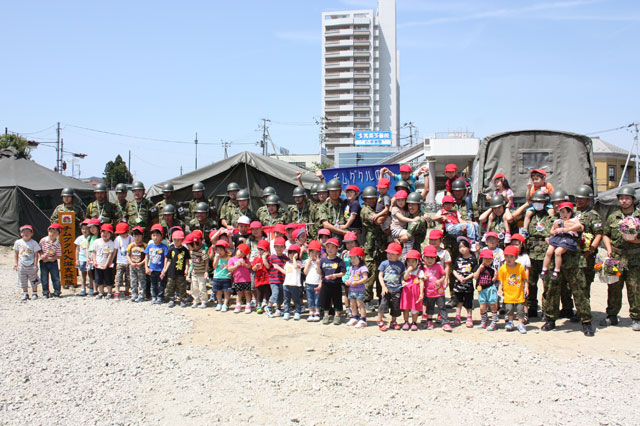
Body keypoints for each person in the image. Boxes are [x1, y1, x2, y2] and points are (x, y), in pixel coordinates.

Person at [600, 185, 640, 331]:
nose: (624, 201)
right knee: (614, 287)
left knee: (635, 288)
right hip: (616, 256)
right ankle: (611, 315)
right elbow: (606, 234)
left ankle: (636, 317)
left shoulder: (638, 216)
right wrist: (609, 249)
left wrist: (634, 240)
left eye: (627, 198)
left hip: (635, 257)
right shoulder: (613, 216)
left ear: (633, 200)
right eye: (622, 198)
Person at [540, 202, 583, 281]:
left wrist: (566, 229)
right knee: (549, 251)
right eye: (562, 212)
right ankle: (544, 269)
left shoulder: (574, 220)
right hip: (557, 237)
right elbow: (551, 231)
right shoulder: (558, 221)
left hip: (567, 238)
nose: (565, 214)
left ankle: (556, 270)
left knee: (558, 252)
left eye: (568, 212)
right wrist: (555, 231)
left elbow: (579, 226)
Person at [574, 185, 603, 299]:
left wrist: (591, 249)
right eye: (577, 198)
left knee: (584, 283)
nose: (578, 201)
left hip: (586, 255)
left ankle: (583, 312)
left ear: (589, 200)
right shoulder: (572, 212)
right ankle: (568, 309)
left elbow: (599, 234)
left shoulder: (593, 215)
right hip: (572, 253)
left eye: (582, 198)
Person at [360, 186, 387, 307]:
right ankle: (367, 299)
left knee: (381, 272)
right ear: (364, 200)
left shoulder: (376, 209)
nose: (371, 201)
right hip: (371, 246)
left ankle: (381, 298)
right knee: (370, 273)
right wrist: (388, 211)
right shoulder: (365, 210)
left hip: (380, 245)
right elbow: (379, 221)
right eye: (368, 199)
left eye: (373, 199)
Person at [497, 245, 529, 334]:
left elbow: (524, 279)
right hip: (508, 293)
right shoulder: (503, 268)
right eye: (506, 256)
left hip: (519, 293)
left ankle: (521, 323)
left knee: (520, 309)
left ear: (516, 257)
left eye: (511, 256)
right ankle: (510, 322)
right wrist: (500, 289)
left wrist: (526, 287)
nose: (508, 259)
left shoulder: (520, 267)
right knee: (509, 309)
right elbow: (501, 281)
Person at [377, 242, 405, 331]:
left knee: (395, 306)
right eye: (388, 253)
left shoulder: (401, 264)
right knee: (383, 305)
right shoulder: (384, 263)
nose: (389, 255)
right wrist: (383, 287)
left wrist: (403, 282)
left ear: (399, 255)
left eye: (392, 254)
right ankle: (379, 320)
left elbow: (402, 275)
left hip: (397, 288)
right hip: (387, 288)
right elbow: (380, 275)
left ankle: (393, 321)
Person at [318, 238, 346, 325]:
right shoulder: (323, 260)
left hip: (336, 283)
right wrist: (318, 265)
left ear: (337, 249)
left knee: (337, 299)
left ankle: (337, 315)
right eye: (328, 247)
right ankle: (326, 315)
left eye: (332, 247)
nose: (330, 249)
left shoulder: (339, 261)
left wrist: (335, 276)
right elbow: (319, 273)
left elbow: (343, 272)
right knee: (326, 299)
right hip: (326, 283)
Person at [422, 245, 450, 331]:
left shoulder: (438, 266)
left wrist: (440, 280)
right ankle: (429, 321)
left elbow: (444, 274)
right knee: (430, 308)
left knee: (442, 307)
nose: (430, 260)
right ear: (423, 258)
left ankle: (445, 322)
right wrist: (423, 278)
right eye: (427, 258)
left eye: (432, 258)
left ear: (436, 258)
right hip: (428, 292)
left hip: (439, 292)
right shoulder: (422, 268)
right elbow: (419, 278)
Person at [452, 237, 477, 328]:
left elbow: (474, 272)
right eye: (460, 247)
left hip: (468, 285)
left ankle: (469, 317)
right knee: (459, 301)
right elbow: (454, 270)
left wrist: (466, 278)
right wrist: (458, 277)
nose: (461, 249)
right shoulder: (458, 259)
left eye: (463, 247)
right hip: (458, 285)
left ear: (468, 247)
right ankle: (458, 316)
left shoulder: (473, 259)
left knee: (468, 302)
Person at [13, 224, 41, 301]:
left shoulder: (34, 242)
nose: (26, 233)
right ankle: (25, 293)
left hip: (31, 263)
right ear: (20, 233)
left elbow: (36, 254)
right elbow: (16, 253)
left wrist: (35, 264)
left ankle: (35, 293)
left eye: (28, 232)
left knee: (33, 278)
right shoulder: (18, 242)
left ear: (32, 234)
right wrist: (16, 263)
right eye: (23, 232)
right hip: (22, 264)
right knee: (23, 279)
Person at [473, 249, 499, 331]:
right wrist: (479, 269)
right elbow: (475, 277)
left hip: (490, 288)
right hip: (481, 289)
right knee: (482, 306)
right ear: (481, 259)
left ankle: (494, 322)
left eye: (489, 259)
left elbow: (494, 280)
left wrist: (495, 277)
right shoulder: (478, 267)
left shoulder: (492, 269)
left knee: (493, 305)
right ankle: (484, 321)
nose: (487, 261)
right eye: (485, 259)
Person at [144, 224, 169, 304]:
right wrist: (146, 267)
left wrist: (164, 269)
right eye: (153, 235)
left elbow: (166, 258)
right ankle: (154, 296)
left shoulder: (164, 246)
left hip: (160, 269)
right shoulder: (150, 245)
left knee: (161, 284)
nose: (155, 237)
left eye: (157, 235)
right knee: (153, 283)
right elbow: (146, 257)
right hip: (152, 269)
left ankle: (160, 297)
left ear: (161, 236)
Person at [165, 230, 190, 308]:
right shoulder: (171, 249)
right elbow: (168, 260)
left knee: (182, 286)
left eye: (178, 240)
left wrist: (187, 269)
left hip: (181, 272)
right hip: (171, 272)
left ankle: (182, 299)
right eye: (175, 240)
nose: (176, 241)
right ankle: (171, 299)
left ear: (182, 240)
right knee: (170, 285)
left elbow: (187, 261)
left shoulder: (185, 250)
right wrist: (165, 269)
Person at [92, 223, 117, 299]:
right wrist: (94, 261)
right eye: (103, 232)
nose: (105, 234)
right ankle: (101, 292)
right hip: (98, 264)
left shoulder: (111, 243)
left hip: (107, 265)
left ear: (111, 234)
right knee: (99, 279)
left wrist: (107, 264)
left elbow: (110, 254)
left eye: (107, 233)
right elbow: (94, 252)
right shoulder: (96, 241)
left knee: (108, 278)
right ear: (100, 232)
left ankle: (109, 292)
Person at [345, 246, 368, 328]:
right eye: (351, 258)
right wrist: (348, 281)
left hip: (360, 290)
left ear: (360, 258)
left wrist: (357, 282)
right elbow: (350, 276)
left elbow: (365, 278)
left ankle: (363, 319)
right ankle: (355, 317)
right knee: (352, 304)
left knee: (360, 304)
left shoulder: (363, 268)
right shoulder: (351, 268)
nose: (352, 260)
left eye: (354, 258)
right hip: (352, 289)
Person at [184, 232, 209, 309]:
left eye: (188, 245)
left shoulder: (202, 252)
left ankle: (204, 300)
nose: (187, 247)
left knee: (202, 287)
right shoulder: (191, 252)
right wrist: (189, 271)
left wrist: (206, 271)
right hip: (194, 273)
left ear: (194, 244)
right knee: (194, 287)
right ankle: (196, 300)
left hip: (201, 272)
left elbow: (206, 261)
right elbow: (191, 262)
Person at [400, 250, 423, 331]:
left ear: (418, 262)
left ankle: (414, 322)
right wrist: (408, 271)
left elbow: (421, 283)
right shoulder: (406, 270)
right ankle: (406, 322)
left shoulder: (420, 271)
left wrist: (421, 294)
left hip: (415, 292)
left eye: (413, 261)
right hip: (406, 292)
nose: (411, 263)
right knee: (406, 308)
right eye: (409, 261)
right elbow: (405, 278)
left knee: (414, 309)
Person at [265, 237, 288, 317]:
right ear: (274, 247)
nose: (279, 248)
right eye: (277, 246)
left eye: (281, 247)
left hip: (282, 280)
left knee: (281, 295)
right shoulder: (272, 257)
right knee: (275, 293)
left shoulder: (285, 258)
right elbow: (267, 266)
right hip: (273, 279)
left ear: (284, 248)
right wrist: (264, 258)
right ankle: (269, 306)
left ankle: (278, 308)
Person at [39, 223, 62, 298]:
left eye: (55, 232)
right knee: (44, 277)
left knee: (55, 277)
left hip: (53, 262)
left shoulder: (57, 244)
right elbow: (39, 249)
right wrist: (42, 255)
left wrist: (49, 259)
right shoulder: (43, 240)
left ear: (58, 233)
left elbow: (58, 256)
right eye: (51, 231)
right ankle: (45, 292)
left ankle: (57, 291)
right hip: (43, 262)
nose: (52, 233)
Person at [228, 243, 253, 314]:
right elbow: (229, 268)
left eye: (243, 253)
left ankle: (248, 305)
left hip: (246, 279)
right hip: (237, 279)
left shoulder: (246, 260)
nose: (241, 254)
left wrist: (244, 264)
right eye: (240, 251)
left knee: (247, 292)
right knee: (239, 293)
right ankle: (238, 305)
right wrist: (237, 265)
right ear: (236, 250)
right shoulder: (232, 259)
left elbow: (250, 266)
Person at [282, 244, 304, 320]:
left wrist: (294, 259)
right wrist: (278, 268)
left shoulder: (299, 262)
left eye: (294, 253)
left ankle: (297, 312)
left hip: (295, 285)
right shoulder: (287, 263)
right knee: (287, 300)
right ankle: (286, 312)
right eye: (290, 253)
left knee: (296, 300)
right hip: (286, 284)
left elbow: (295, 267)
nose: (292, 255)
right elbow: (286, 272)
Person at [303, 240, 323, 322]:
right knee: (310, 299)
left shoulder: (320, 261)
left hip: (317, 283)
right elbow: (305, 272)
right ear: (309, 252)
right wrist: (309, 263)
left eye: (316, 252)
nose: (314, 254)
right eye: (312, 252)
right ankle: (311, 312)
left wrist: (318, 265)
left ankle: (317, 312)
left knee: (317, 299)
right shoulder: (307, 261)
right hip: (308, 283)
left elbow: (320, 273)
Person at [126, 226, 147, 302]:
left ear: (142, 235)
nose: (137, 238)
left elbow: (147, 256)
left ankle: (142, 295)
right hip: (132, 266)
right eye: (135, 236)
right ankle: (134, 294)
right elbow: (127, 255)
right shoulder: (131, 245)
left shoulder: (145, 245)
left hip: (141, 266)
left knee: (141, 280)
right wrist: (131, 263)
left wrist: (142, 263)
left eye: (138, 235)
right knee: (133, 280)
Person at [212, 239, 233, 311]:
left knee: (227, 291)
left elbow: (231, 267)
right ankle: (219, 303)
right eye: (217, 250)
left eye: (221, 249)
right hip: (217, 277)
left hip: (226, 277)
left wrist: (231, 272)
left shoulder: (229, 258)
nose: (219, 252)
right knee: (218, 291)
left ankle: (225, 304)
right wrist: (217, 258)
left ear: (225, 250)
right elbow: (214, 265)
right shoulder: (216, 257)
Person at [114, 222, 133, 300]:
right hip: (120, 261)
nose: (121, 235)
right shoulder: (117, 239)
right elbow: (115, 250)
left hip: (129, 261)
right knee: (118, 277)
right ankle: (117, 291)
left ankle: (127, 290)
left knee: (128, 277)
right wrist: (113, 260)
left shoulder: (131, 238)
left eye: (123, 233)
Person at [252, 239, 272, 314]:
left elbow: (268, 267)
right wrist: (256, 267)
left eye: (262, 250)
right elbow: (253, 268)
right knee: (259, 294)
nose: (259, 251)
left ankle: (268, 306)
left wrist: (264, 258)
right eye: (259, 249)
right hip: (259, 280)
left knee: (268, 294)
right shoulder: (256, 259)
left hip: (267, 280)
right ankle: (259, 305)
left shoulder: (269, 258)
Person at [75, 220, 91, 296]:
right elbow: (77, 249)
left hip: (90, 259)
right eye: (83, 229)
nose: (85, 230)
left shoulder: (91, 238)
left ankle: (91, 288)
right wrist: (77, 259)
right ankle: (83, 288)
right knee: (83, 274)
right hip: (82, 258)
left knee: (90, 274)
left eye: (86, 228)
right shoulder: (79, 238)